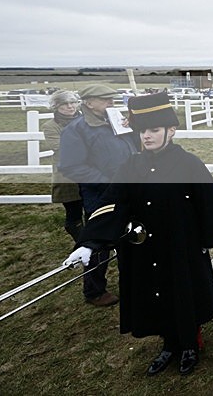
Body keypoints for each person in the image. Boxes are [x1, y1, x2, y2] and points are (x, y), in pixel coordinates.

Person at [64, 92, 213, 376]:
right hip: (145, 249)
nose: (147, 136)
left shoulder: (189, 164)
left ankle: (189, 344)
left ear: (171, 130)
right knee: (155, 294)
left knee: (182, 295)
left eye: (154, 130)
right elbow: (112, 202)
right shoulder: (131, 165)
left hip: (180, 246)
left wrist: (203, 242)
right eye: (142, 130)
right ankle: (168, 345)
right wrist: (91, 242)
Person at [58, 84, 139, 307]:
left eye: (112, 100)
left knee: (129, 238)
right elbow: (71, 166)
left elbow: (133, 147)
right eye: (105, 100)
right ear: (89, 102)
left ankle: (132, 284)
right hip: (101, 195)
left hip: (128, 189)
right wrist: (107, 181)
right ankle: (94, 290)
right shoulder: (77, 129)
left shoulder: (115, 122)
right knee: (98, 242)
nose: (111, 104)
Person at [41, 90, 85, 243]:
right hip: (68, 177)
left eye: (72, 102)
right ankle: (83, 243)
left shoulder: (87, 119)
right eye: (65, 104)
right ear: (56, 107)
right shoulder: (51, 126)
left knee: (93, 211)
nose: (70, 106)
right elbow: (60, 147)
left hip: (90, 173)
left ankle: (90, 245)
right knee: (74, 214)